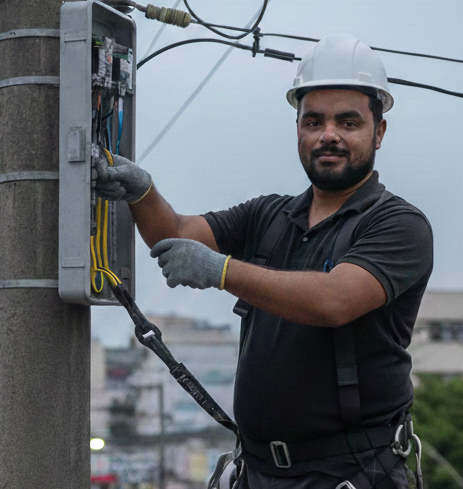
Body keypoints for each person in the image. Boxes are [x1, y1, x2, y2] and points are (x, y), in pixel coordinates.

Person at [95, 34, 433, 489]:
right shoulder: (270, 215)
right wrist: (143, 192)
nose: (328, 135)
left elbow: (335, 300)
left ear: (379, 132)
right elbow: (175, 234)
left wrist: (222, 271)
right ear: (298, 130)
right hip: (259, 471)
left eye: (348, 122)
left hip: (351, 472)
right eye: (313, 121)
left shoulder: (398, 224)